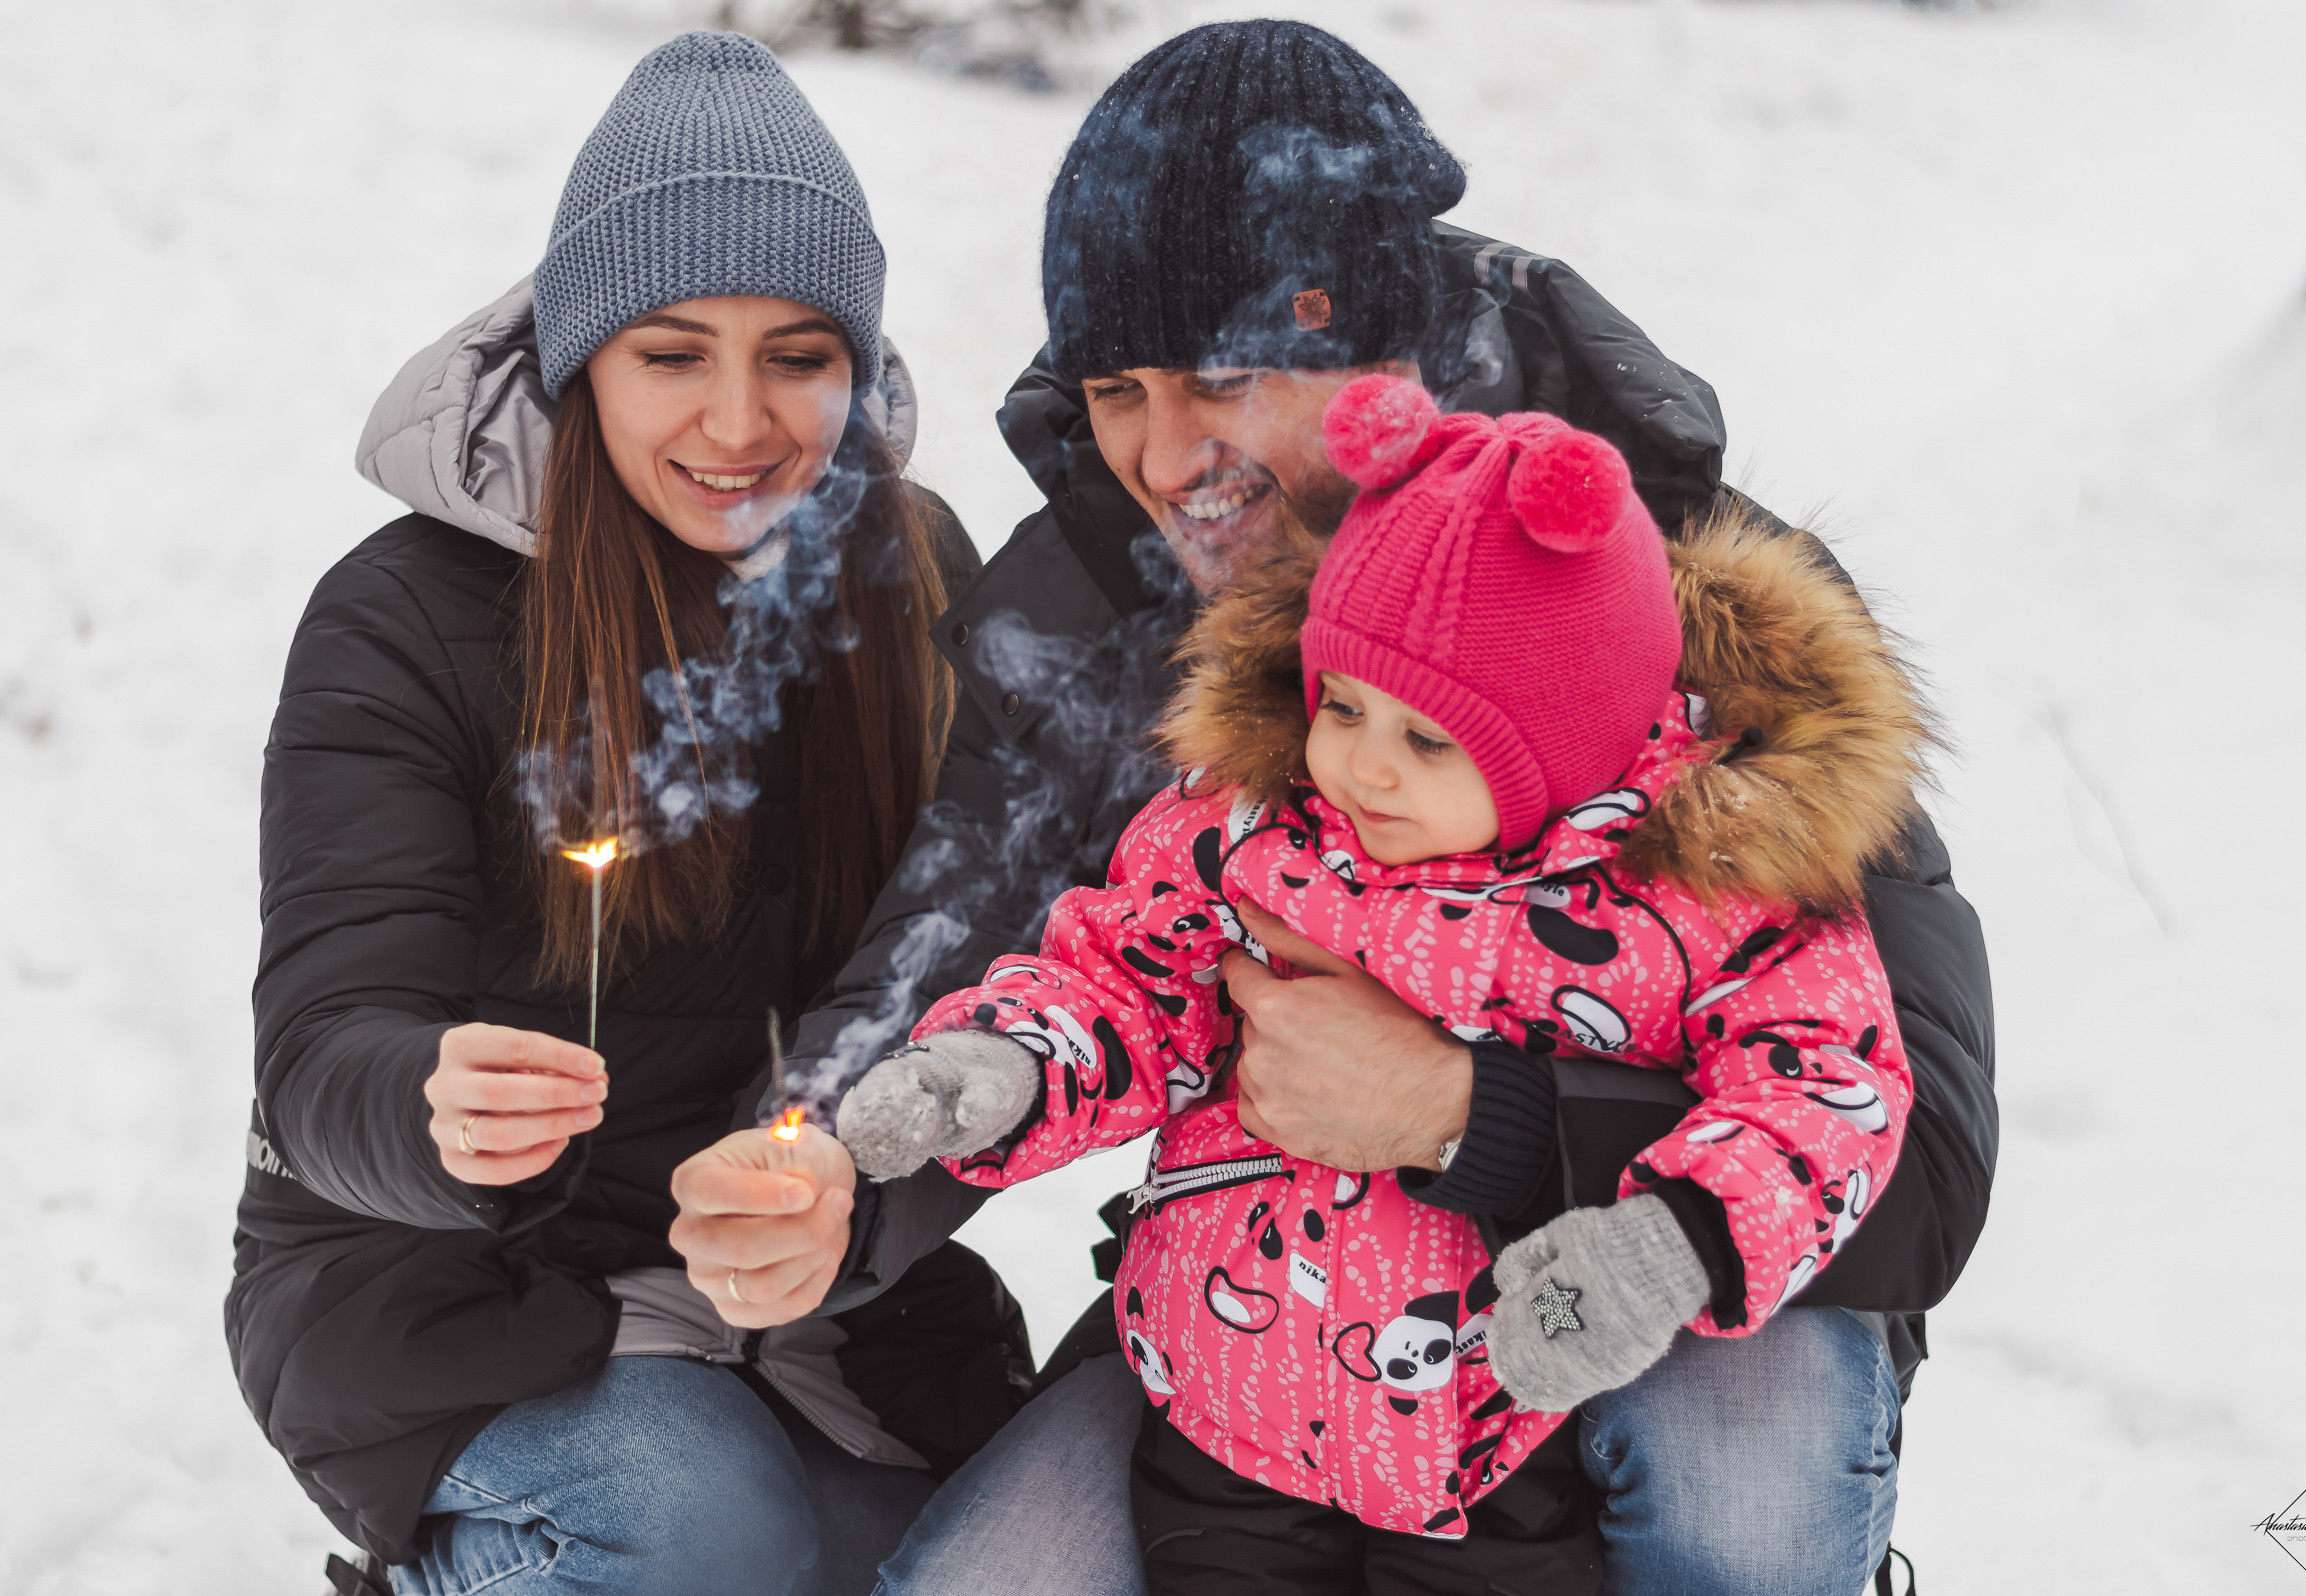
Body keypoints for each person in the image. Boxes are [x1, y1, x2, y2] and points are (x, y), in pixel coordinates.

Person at [671, 20, 1996, 1596]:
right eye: (1117, 387)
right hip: (1283, 1302)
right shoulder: (1107, 604)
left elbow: (1916, 1156)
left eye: (1224, 377)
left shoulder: (1672, 584)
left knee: (1752, 1482)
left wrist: (1466, 1113)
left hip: (1656, 1283)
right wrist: (829, 1181)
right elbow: (954, 962)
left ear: (1378, 360)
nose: (1165, 454)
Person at [836, 374, 1929, 1594]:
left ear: (1568, 743)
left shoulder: (1696, 889)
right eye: (1343, 706)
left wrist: (1667, 1244)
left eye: (1429, 739)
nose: (1363, 766)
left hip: (1501, 1446)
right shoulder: (1251, 828)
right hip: (1224, 1414)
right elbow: (1126, 983)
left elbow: (1823, 1087)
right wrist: (1005, 1063)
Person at [226, 33, 1024, 1596]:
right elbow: (321, 1045)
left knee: (967, 1565)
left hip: (797, 1296)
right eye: (672, 354)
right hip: (455, 1281)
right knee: (703, 1531)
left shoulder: (917, 574)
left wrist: (851, 1205)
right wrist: (431, 1108)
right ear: (582, 358)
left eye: (797, 355)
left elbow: (979, 990)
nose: (739, 422)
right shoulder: (409, 616)